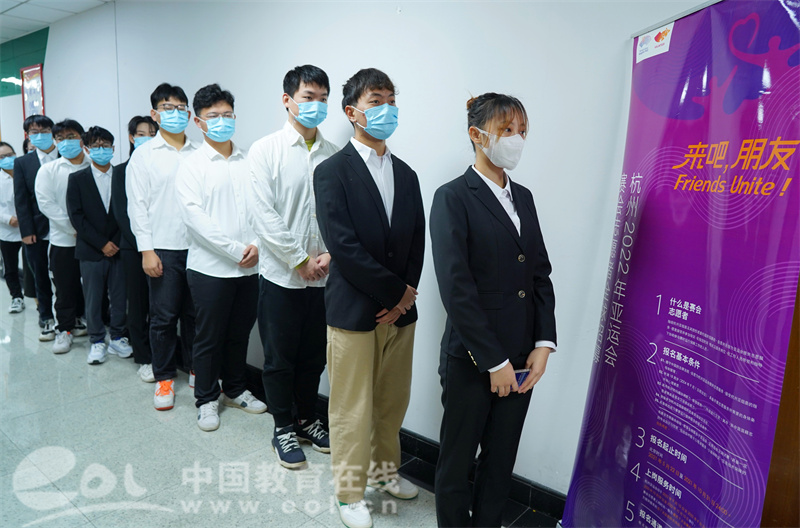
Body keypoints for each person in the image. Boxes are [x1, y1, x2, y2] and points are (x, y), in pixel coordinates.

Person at [429, 93, 557, 528]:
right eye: (506, 130)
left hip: (522, 357)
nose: (516, 139)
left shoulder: (524, 197)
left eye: (522, 131)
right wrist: (493, 361)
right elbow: (456, 288)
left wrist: (543, 343)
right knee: (457, 463)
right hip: (472, 358)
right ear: (477, 135)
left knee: (500, 462)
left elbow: (539, 274)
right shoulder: (452, 197)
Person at [314, 68, 425, 528]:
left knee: (391, 401)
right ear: (352, 112)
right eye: (376, 101)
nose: (387, 109)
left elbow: (416, 241)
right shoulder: (331, 172)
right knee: (351, 408)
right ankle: (349, 494)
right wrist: (394, 292)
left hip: (400, 314)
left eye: (392, 100)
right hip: (355, 310)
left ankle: (383, 472)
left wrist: (403, 299)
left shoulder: (407, 173)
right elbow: (344, 247)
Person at [250, 65, 338, 467]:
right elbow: (262, 214)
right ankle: (282, 426)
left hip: (324, 278)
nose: (316, 105)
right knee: (279, 358)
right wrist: (299, 259)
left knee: (314, 357)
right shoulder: (265, 150)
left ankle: (306, 419)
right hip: (282, 277)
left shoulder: (334, 153)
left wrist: (330, 255)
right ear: (287, 100)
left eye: (323, 98)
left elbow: (341, 215)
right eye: (308, 97)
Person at [176, 83, 265, 431]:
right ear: (199, 122)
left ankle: (236, 389)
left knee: (239, 334)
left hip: (249, 268)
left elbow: (263, 207)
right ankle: (206, 398)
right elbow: (195, 219)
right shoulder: (192, 165)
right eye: (213, 116)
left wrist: (256, 244)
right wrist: (235, 250)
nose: (222, 121)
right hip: (210, 269)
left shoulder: (249, 160)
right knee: (209, 338)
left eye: (227, 115)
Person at [127, 83, 197, 411]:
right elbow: (137, 207)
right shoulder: (144, 156)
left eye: (181, 107)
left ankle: (197, 370)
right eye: (168, 108)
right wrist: (147, 250)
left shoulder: (200, 151)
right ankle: (165, 377)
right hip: (163, 249)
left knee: (197, 315)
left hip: (200, 249)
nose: (176, 113)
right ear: (155, 114)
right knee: (164, 318)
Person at [66, 126, 132, 365]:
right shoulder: (77, 179)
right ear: (87, 149)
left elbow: (128, 211)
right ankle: (96, 340)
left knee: (120, 296)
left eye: (106, 146)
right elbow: (77, 217)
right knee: (93, 297)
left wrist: (116, 241)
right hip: (91, 249)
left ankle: (117, 336)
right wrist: (102, 243)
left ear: (113, 148)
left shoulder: (123, 175)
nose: (101, 150)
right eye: (96, 146)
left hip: (120, 247)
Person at [35, 119, 89, 355]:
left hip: (95, 242)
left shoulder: (94, 165)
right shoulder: (49, 170)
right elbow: (46, 204)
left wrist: (90, 232)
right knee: (65, 289)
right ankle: (64, 330)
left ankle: (95, 327)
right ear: (55, 142)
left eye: (71, 136)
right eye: (61, 138)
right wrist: (73, 228)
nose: (66, 142)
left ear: (82, 138)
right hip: (63, 241)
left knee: (95, 288)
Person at [112, 115, 158, 382]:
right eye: (142, 134)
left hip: (163, 246)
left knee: (162, 307)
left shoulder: (164, 166)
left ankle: (164, 355)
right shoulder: (121, 171)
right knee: (138, 304)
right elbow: (122, 214)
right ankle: (143, 358)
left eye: (153, 133)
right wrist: (145, 246)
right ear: (131, 138)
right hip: (134, 248)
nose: (148, 138)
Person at [13, 115, 58, 339]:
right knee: (40, 275)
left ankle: (74, 315)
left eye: (44, 131)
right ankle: (46, 315)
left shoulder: (65, 156)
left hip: (66, 228)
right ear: (28, 136)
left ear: (52, 132)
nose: (39, 135)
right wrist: (26, 231)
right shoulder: (23, 163)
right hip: (36, 231)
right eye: (34, 132)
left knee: (67, 274)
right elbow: (21, 200)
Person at [0, 141, 25, 313]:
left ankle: (40, 298)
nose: (7, 159)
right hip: (7, 231)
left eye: (9, 155)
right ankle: (16, 297)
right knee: (10, 267)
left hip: (29, 229)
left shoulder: (24, 173)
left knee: (35, 266)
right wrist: (7, 219)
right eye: (2, 157)